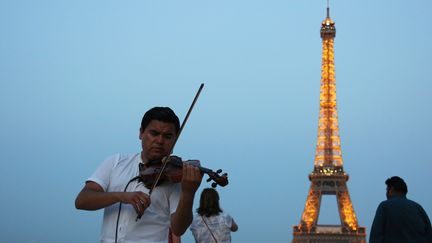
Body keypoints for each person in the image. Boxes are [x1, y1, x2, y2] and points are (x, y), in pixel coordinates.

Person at [75, 107, 203, 243]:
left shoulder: (174, 178)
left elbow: (178, 229)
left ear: (175, 140)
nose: (160, 141)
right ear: (141, 133)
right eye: (154, 133)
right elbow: (82, 201)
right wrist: (120, 196)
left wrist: (189, 193)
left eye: (167, 136)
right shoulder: (115, 162)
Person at [369, 176, 432, 243]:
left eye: (387, 190)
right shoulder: (418, 208)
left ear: (391, 189)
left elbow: (376, 236)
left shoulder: (384, 206)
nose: (386, 194)